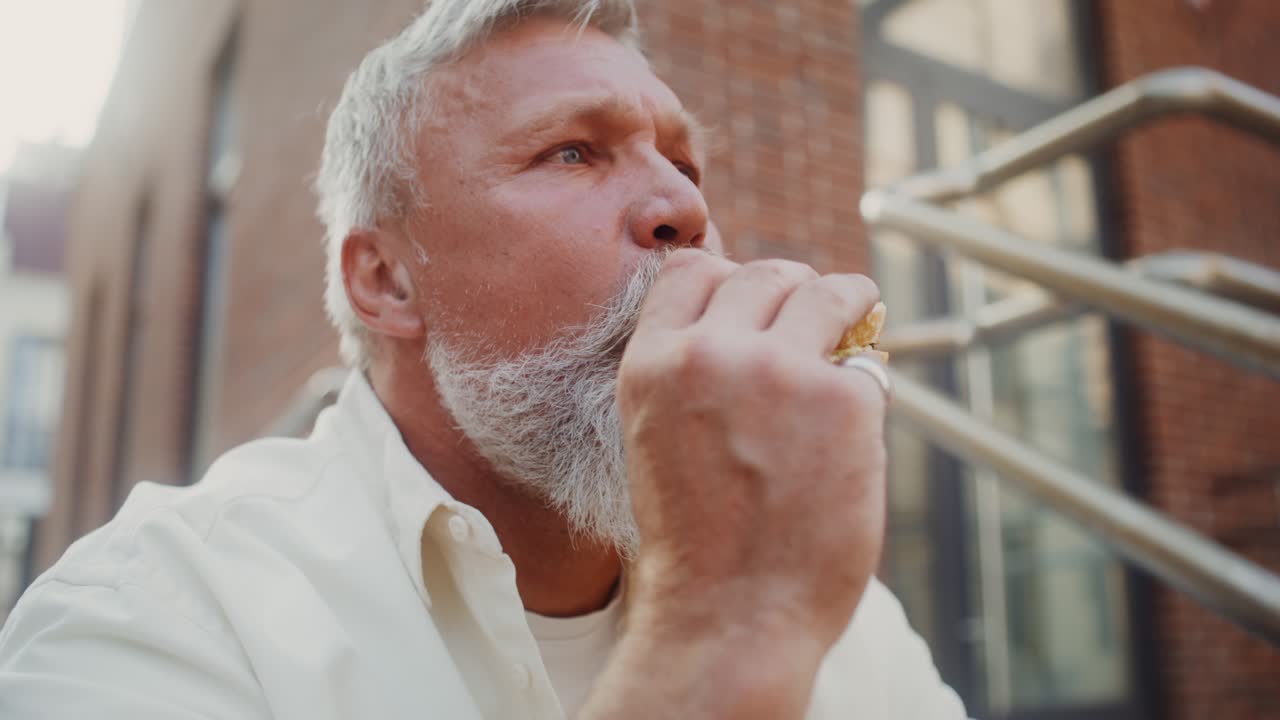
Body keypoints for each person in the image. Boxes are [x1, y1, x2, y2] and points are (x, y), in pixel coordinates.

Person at [0, 1, 967, 717]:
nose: (683, 208)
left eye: (684, 163)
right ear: (387, 280)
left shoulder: (826, 604)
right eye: (573, 153)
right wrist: (718, 633)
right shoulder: (161, 613)